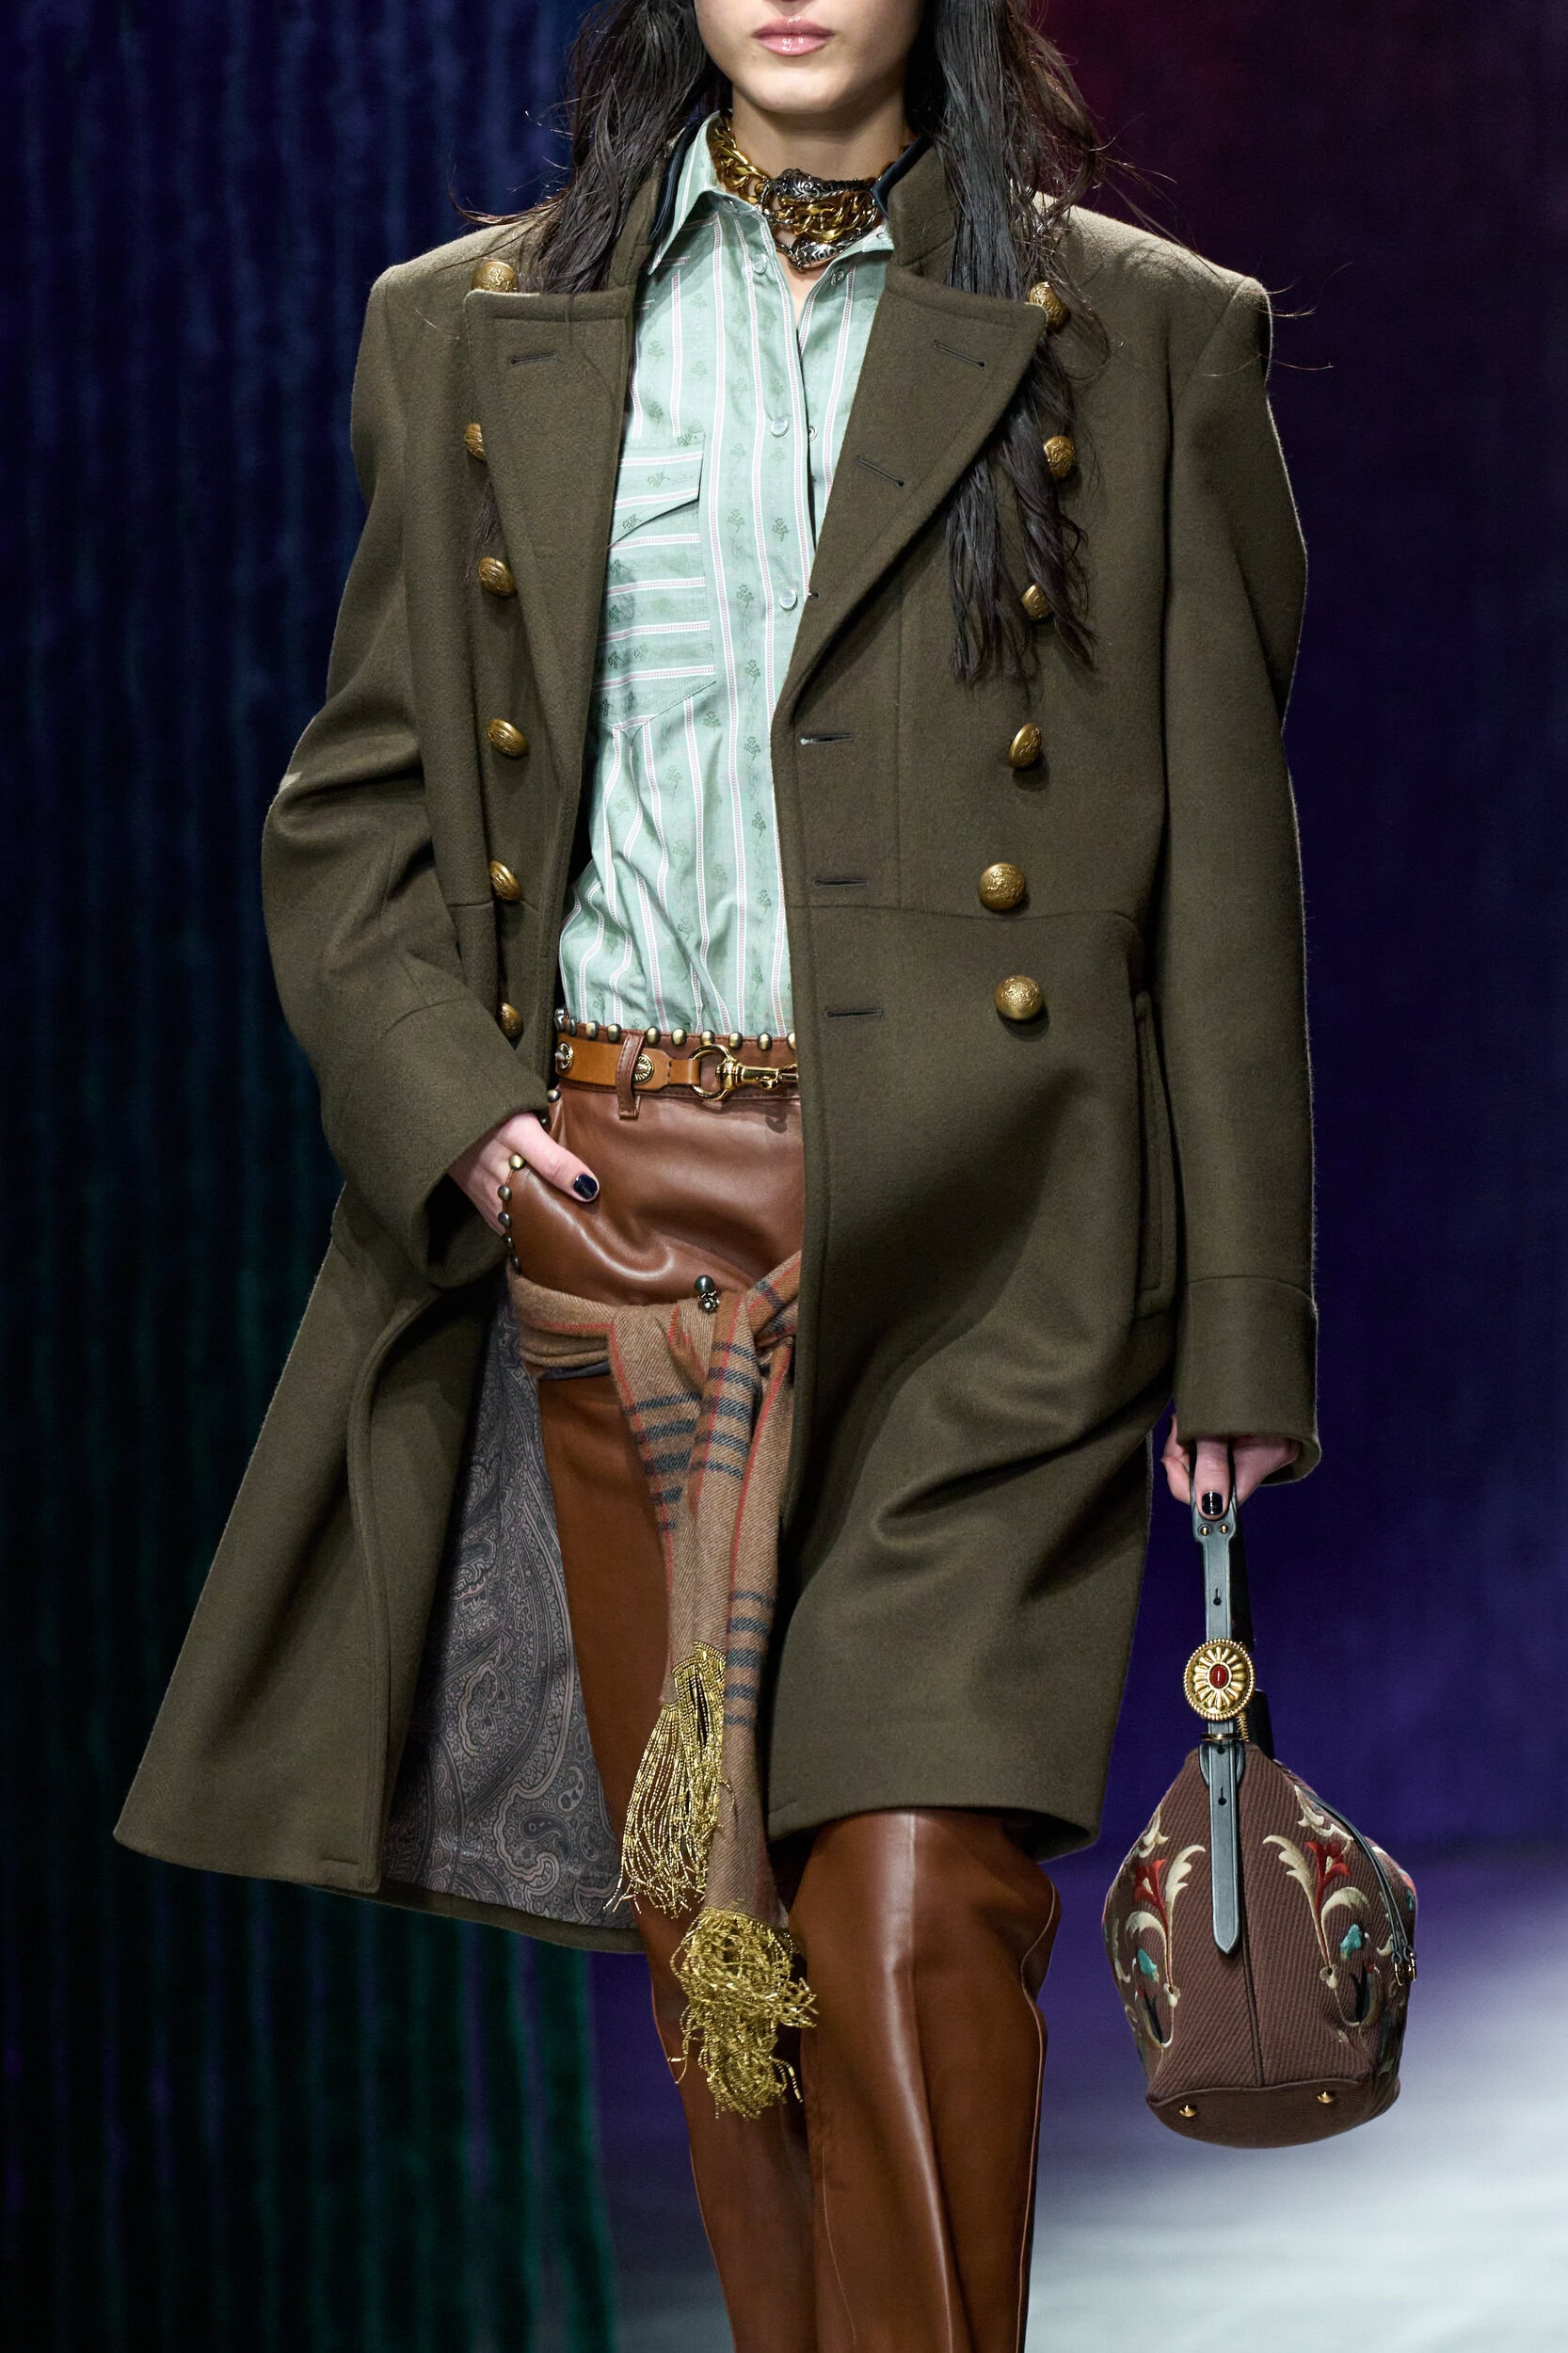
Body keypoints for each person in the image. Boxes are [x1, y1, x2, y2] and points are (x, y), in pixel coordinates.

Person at [119, 1, 1317, 2344]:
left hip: (1001, 1244)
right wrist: (474, 1133)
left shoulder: (1141, 335)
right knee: (732, 1967)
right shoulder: (471, 329)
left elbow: (1220, 873)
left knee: (909, 1908)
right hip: (629, 1240)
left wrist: (1241, 1318)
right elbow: (357, 816)